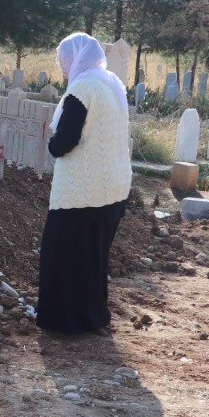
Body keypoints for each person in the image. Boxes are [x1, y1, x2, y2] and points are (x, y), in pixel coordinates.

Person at [36, 33, 132, 335]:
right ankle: (94, 317)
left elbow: (65, 141)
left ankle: (66, 322)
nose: (62, 69)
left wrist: (50, 146)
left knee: (62, 255)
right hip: (114, 187)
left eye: (63, 62)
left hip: (83, 192)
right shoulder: (112, 83)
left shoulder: (81, 89)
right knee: (93, 258)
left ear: (75, 58)